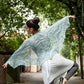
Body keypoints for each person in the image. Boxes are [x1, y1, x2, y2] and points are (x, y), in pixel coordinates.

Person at [3, 15, 79, 84]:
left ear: (31, 29)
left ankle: (62, 80)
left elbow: (19, 51)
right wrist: (67, 18)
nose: (26, 30)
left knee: (50, 82)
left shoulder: (29, 41)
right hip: (56, 58)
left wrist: (9, 61)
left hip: (47, 64)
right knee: (75, 66)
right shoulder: (45, 33)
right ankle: (64, 79)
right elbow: (56, 26)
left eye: (26, 28)